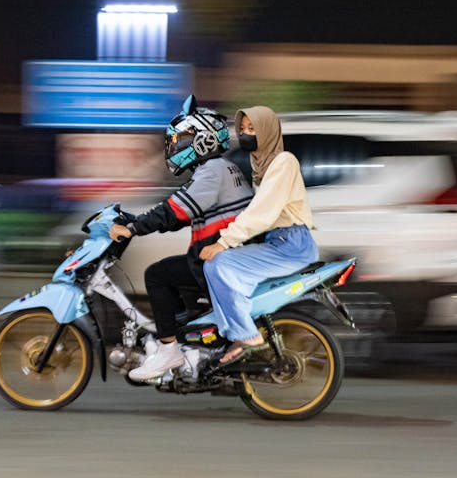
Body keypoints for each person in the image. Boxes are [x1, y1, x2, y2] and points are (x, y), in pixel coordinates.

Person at [109, 95, 254, 381]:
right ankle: (187, 345)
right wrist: (136, 221)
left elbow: (174, 210)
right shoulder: (224, 168)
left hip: (219, 263)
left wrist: (134, 229)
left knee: (157, 275)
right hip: (230, 258)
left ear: (204, 140)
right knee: (176, 283)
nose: (176, 146)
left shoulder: (212, 171)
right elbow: (183, 214)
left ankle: (169, 350)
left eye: (183, 139)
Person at [199, 105, 319, 366]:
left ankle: (247, 335)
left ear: (267, 131)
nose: (245, 134)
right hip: (277, 241)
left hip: (292, 244)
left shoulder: (284, 162)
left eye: (252, 129)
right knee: (215, 268)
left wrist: (224, 242)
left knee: (219, 264)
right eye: (242, 129)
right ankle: (239, 332)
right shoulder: (260, 163)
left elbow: (262, 212)